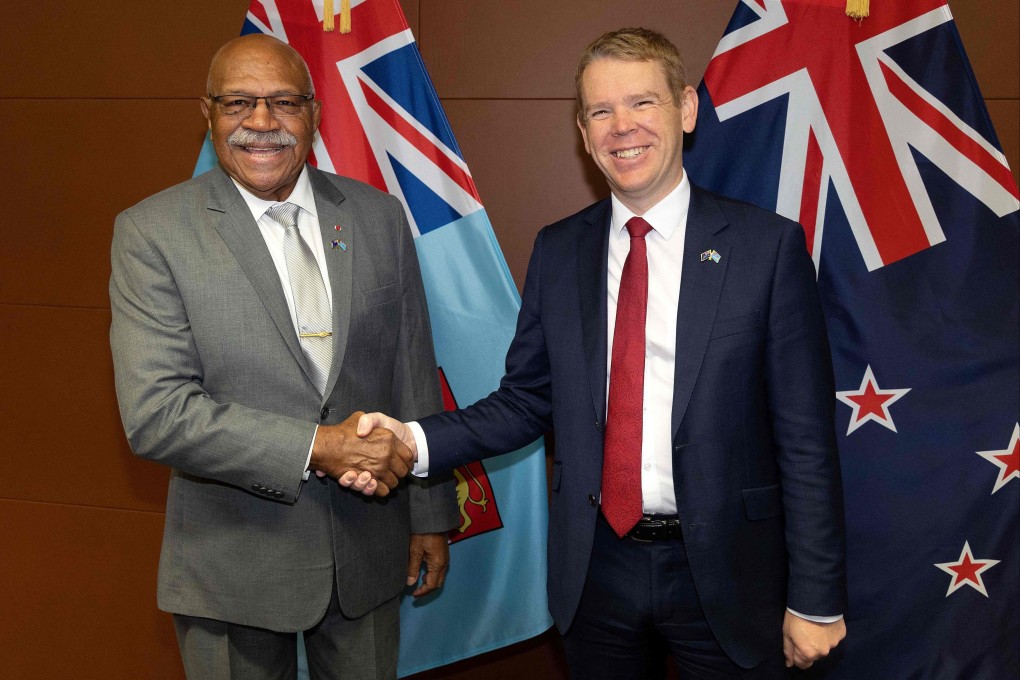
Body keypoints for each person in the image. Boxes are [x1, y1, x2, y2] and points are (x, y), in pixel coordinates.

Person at [353, 28, 847, 678]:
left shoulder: (767, 250)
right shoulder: (560, 251)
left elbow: (806, 439)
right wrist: (410, 441)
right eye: (600, 111)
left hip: (729, 574)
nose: (622, 127)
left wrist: (816, 599)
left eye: (642, 103)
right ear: (584, 133)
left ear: (686, 109)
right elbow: (525, 401)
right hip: (596, 573)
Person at [109, 34, 458, 680]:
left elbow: (411, 370)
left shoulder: (379, 217)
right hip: (232, 570)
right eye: (239, 102)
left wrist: (430, 514)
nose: (262, 123)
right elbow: (157, 413)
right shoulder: (152, 234)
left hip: (369, 554)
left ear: (314, 114)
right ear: (207, 114)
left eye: (284, 103)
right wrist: (318, 446)